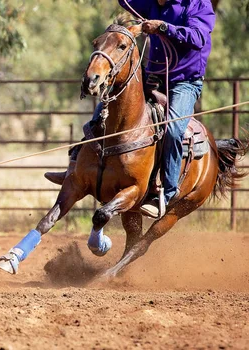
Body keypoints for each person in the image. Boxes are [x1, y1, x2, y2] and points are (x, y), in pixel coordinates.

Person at [49, 0, 216, 218]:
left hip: (184, 82)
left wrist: (163, 27)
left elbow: (198, 37)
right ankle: (76, 167)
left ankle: (166, 193)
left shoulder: (197, 4)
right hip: (153, 75)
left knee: (173, 129)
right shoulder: (151, 4)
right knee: (106, 107)